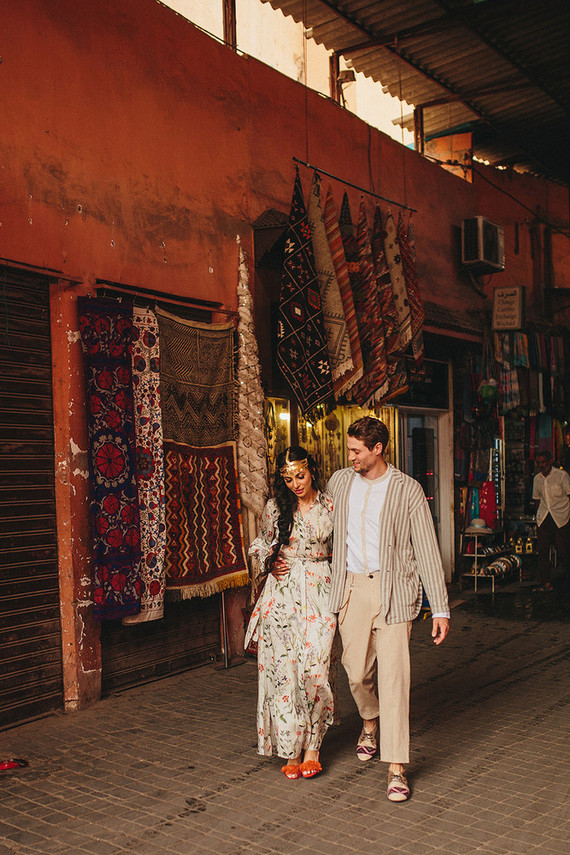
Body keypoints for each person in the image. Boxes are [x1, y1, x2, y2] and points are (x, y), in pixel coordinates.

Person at [327, 416, 450, 802]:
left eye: (356, 451)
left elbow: (427, 549)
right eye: (350, 449)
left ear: (378, 449)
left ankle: (396, 768)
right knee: (355, 670)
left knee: (395, 680)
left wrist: (440, 608)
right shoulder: (340, 482)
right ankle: (369, 718)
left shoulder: (406, 490)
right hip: (352, 588)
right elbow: (319, 528)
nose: (351, 457)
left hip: (395, 590)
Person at [245, 446, 336, 780]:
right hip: (281, 597)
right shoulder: (275, 507)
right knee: (283, 672)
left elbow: (344, 548)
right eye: (288, 479)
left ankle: (315, 743)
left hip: (320, 591)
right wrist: (271, 558)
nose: (296, 484)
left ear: (312, 469)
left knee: (315, 668)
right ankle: (293, 748)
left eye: (301, 475)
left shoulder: (331, 505)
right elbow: (260, 543)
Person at [532, 450, 570, 592]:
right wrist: (539, 515)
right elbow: (536, 499)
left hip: (561, 517)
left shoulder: (562, 476)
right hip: (544, 518)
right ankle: (545, 581)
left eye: (544, 462)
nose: (542, 465)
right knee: (542, 551)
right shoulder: (537, 479)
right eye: (539, 463)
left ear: (550, 461)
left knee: (563, 550)